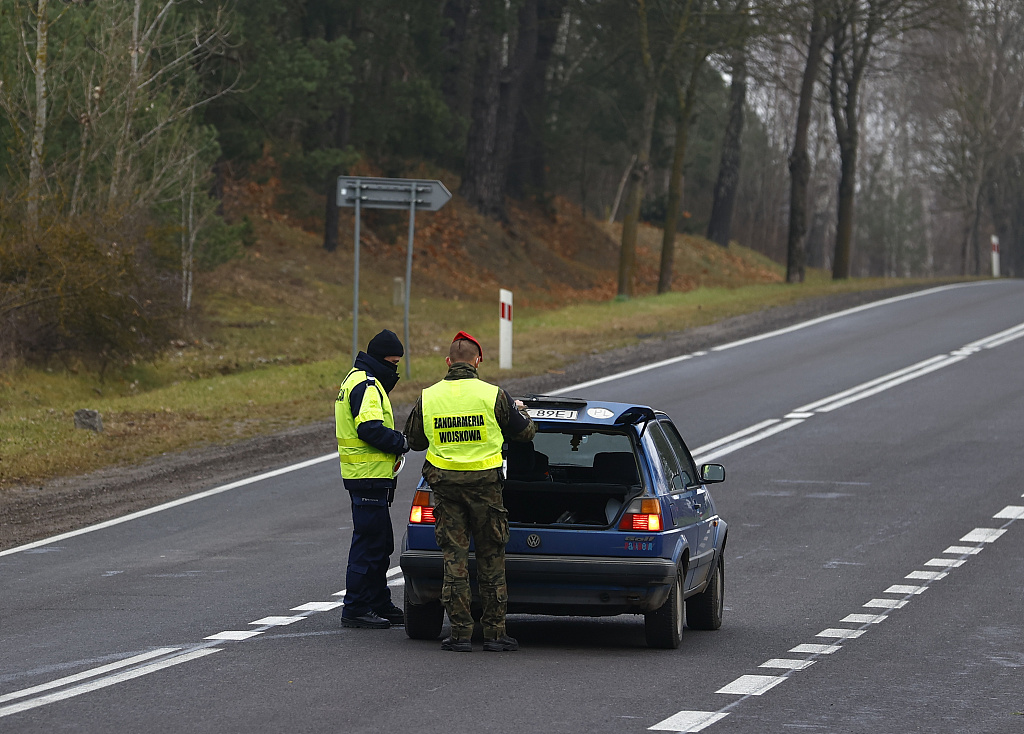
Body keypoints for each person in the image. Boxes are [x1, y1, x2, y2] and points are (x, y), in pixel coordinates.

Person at [404, 331, 536, 652]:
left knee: (454, 560)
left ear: (448, 362)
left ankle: (460, 634)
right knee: (491, 558)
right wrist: (520, 410)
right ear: (478, 361)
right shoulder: (494, 396)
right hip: (485, 490)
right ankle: (495, 633)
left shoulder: (429, 396)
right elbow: (526, 433)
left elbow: (415, 440)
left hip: (446, 490)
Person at [336, 329, 410, 629]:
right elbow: (369, 429)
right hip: (366, 477)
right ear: (380, 359)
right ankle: (355, 608)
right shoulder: (366, 385)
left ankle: (379, 602)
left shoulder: (356, 379)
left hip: (368, 478)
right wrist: (400, 442)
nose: (395, 369)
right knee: (369, 545)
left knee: (380, 544)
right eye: (392, 363)